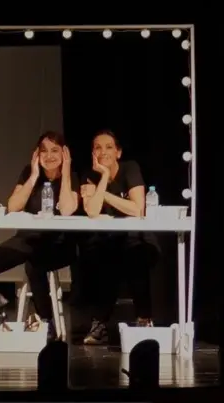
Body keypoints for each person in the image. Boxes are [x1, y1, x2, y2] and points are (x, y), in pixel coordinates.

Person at [0, 131, 80, 341]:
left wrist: (65, 170)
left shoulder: (71, 177)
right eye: (44, 151)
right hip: (28, 240)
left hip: (59, 244)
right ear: (37, 154)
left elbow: (67, 210)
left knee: (35, 264)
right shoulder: (29, 173)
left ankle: (46, 322)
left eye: (55, 151)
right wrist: (34, 175)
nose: (49, 156)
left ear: (64, 153)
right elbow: (13, 206)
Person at [79, 129, 161, 345]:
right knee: (104, 257)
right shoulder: (90, 175)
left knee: (134, 256)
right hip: (108, 240)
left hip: (138, 239)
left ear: (118, 152)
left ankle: (144, 319)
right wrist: (104, 176)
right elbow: (92, 211)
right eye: (98, 148)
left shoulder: (130, 168)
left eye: (109, 147)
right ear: (92, 153)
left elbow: (137, 208)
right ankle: (100, 324)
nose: (103, 151)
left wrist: (102, 192)